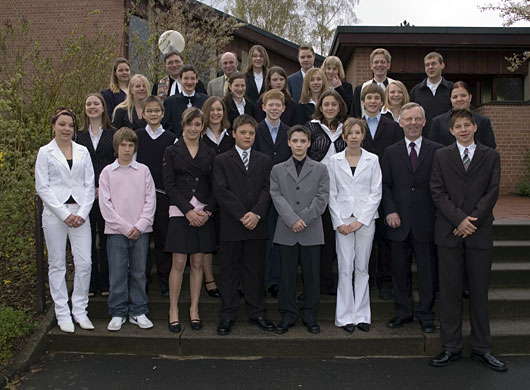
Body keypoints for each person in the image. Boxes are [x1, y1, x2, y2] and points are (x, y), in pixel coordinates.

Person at [429, 109, 506, 372]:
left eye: (466, 125)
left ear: (475, 127)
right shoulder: (441, 156)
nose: (462, 130)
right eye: (457, 126)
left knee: (479, 293)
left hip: (479, 232)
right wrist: (458, 220)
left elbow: (492, 190)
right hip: (449, 233)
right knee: (449, 294)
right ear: (451, 131)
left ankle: (482, 348)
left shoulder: (490, 156)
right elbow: (437, 192)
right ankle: (450, 347)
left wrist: (471, 221)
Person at [381, 102, 442, 334]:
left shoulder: (437, 150)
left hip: (427, 221)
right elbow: (385, 186)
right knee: (400, 270)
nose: (413, 123)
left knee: (427, 271)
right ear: (401, 122)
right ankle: (404, 312)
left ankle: (426, 314)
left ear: (424, 122)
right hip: (398, 221)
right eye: (408, 119)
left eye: (417, 119)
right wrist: (390, 211)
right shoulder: (391, 152)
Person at [213, 114, 274, 336]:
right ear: (234, 134)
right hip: (232, 224)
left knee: (254, 271)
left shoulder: (264, 160)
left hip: (256, 225)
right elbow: (221, 191)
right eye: (243, 133)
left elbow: (268, 190)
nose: (247, 136)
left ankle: (257, 312)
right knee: (229, 272)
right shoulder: (221, 160)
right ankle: (228, 315)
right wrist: (242, 215)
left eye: (251, 133)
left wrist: (256, 214)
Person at [35, 108, 95, 333]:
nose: (66, 129)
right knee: (57, 264)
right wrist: (64, 214)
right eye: (62, 124)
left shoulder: (83, 151)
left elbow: (90, 184)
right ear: (54, 126)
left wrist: (82, 212)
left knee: (84, 263)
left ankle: (80, 309)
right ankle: (62, 312)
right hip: (55, 215)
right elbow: (43, 186)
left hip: (80, 214)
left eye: (70, 125)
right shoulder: (45, 152)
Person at [270, 125, 329, 334]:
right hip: (286, 229)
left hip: (311, 228)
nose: (299, 145)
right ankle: (288, 314)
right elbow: (276, 196)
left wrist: (302, 218)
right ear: (288, 142)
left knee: (312, 275)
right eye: (295, 141)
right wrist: (291, 219)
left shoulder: (321, 169)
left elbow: (322, 198)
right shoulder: (277, 169)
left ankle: (310, 314)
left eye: (303, 141)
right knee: (286, 276)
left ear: (309, 143)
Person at [163, 108, 217, 333]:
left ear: (202, 127)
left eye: (197, 125)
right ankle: (173, 309)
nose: (193, 129)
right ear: (182, 126)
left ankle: (194, 308)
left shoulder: (211, 151)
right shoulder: (171, 151)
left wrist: (208, 212)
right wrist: (187, 211)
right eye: (189, 124)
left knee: (197, 263)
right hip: (180, 211)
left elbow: (217, 185)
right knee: (178, 263)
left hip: (203, 213)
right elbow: (168, 185)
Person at [99, 127, 156, 332]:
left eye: (130, 145)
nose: (127, 149)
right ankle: (117, 312)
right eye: (123, 145)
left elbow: (150, 200)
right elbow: (106, 205)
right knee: (117, 273)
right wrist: (124, 227)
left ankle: (138, 310)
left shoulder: (143, 171)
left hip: (141, 231)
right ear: (116, 147)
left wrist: (139, 226)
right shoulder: (107, 172)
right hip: (116, 232)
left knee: (139, 272)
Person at [328, 117, 382, 333]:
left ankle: (361, 315)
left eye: (358, 133)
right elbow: (331, 193)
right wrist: (339, 222)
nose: (353, 137)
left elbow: (376, 192)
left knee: (362, 268)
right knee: (345, 267)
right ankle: (344, 317)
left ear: (363, 135)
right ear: (344, 136)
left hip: (365, 221)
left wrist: (361, 221)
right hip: (342, 221)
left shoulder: (373, 159)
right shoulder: (334, 160)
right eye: (350, 133)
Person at [359, 83, 403, 301]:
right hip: (361, 189)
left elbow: (397, 156)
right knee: (364, 239)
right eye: (369, 98)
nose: (373, 102)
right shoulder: (356, 126)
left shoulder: (393, 126)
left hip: (385, 187)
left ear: (382, 101)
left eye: (377, 98)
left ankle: (385, 280)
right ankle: (365, 279)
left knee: (384, 239)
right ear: (363, 101)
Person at [306, 89, 348, 296]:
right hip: (316, 190)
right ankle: (312, 285)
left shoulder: (347, 128)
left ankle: (329, 283)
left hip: (342, 192)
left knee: (332, 240)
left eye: (334, 104)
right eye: (326, 104)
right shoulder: (311, 128)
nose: (330, 107)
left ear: (340, 106)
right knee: (315, 239)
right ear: (320, 107)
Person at [134, 96, 177, 298]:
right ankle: (142, 280)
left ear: (163, 113)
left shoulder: (171, 138)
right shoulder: (136, 137)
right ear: (143, 114)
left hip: (163, 196)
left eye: (156, 111)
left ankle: (164, 280)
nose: (153, 114)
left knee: (163, 240)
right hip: (139, 197)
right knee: (142, 240)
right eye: (149, 111)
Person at [76, 93, 116, 298]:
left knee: (107, 238)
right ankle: (91, 283)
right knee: (88, 239)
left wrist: (103, 187)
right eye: (88, 103)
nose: (92, 107)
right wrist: (87, 189)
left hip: (108, 195)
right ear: (85, 109)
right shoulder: (77, 136)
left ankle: (107, 282)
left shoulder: (114, 133)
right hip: (84, 197)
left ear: (103, 108)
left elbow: (119, 164)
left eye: (96, 103)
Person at [254, 89, 292, 298]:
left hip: (285, 193)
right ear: (264, 107)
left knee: (280, 238)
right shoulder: (256, 130)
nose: (275, 108)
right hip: (261, 192)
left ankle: (275, 280)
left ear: (284, 108)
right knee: (263, 239)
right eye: (271, 105)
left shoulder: (289, 131)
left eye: (279, 105)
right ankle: (261, 279)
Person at [201, 96, 234, 298]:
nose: (215, 113)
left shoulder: (231, 136)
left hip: (229, 197)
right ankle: (209, 280)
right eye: (212, 110)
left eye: (219, 109)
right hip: (206, 196)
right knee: (207, 242)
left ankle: (230, 279)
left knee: (228, 243)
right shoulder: (200, 136)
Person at [428, 81, 496, 149]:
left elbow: (490, 148)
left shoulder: (483, 122)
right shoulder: (438, 122)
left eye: (463, 95)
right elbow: (432, 149)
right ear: (450, 99)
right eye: (455, 97)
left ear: (470, 97)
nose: (459, 99)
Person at [410, 52, 453, 135]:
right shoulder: (416, 90)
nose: (430, 67)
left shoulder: (452, 88)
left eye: (434, 64)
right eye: (427, 65)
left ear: (442, 65)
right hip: (424, 138)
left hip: (447, 137)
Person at [162, 65, 208, 137]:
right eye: (186, 78)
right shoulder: (169, 102)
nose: (189, 82)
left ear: (197, 80)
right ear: (180, 79)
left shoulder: (206, 100)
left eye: (192, 78)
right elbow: (166, 126)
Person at [352, 48, 395, 119]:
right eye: (376, 62)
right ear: (371, 66)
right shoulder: (361, 89)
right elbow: (355, 115)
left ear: (388, 65)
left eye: (383, 62)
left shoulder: (397, 87)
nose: (379, 64)